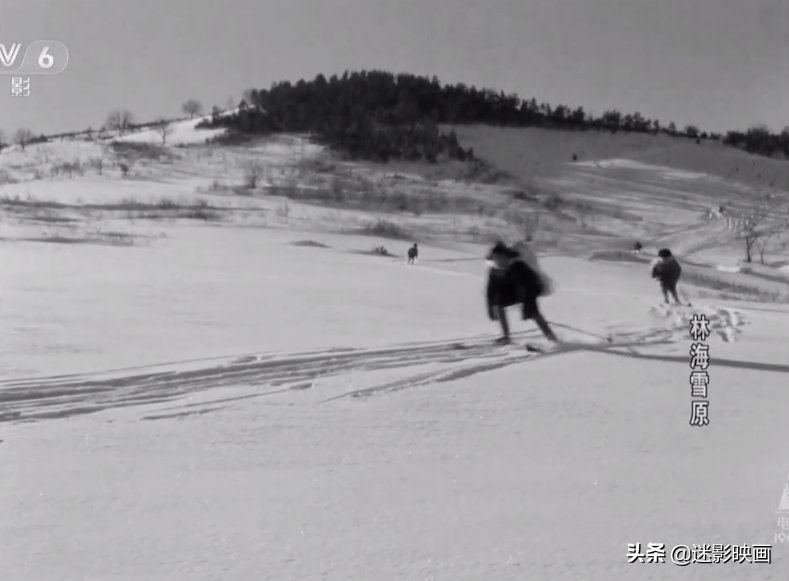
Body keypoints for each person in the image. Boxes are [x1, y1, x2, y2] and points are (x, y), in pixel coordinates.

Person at [485, 240, 558, 345]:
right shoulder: (494, 271)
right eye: (496, 258)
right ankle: (506, 337)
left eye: (500, 258)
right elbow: (490, 291)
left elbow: (531, 286)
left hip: (528, 291)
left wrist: (528, 305)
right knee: (498, 303)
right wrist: (490, 308)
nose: (498, 261)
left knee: (534, 313)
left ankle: (551, 337)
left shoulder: (520, 267)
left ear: (505, 256)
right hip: (511, 292)